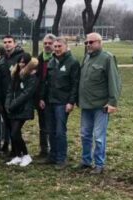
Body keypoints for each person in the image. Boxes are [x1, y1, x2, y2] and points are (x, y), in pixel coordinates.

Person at [77, 32, 121, 174]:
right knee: (85, 134)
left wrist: (112, 102)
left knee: (99, 137)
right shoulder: (87, 57)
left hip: (100, 106)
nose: (88, 45)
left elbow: (114, 81)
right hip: (86, 105)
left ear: (100, 42)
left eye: (91, 42)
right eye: (86, 43)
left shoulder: (107, 58)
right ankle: (86, 161)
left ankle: (99, 164)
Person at [40, 37, 80, 170]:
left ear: (65, 46)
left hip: (62, 102)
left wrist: (71, 102)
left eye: (59, 46)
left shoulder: (72, 62)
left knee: (59, 131)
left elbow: (75, 84)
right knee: (50, 130)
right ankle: (52, 156)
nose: (56, 49)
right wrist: (42, 98)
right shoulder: (51, 61)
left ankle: (61, 158)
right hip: (49, 101)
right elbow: (46, 82)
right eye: (55, 46)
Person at [5, 53, 38, 167]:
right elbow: (10, 91)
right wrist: (7, 103)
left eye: (24, 62)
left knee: (15, 132)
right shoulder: (15, 75)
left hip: (23, 109)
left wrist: (13, 104)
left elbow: (27, 94)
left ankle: (27, 156)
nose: (21, 64)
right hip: (13, 108)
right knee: (14, 133)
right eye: (20, 61)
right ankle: (18, 156)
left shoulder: (32, 76)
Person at [0, 35, 24, 155]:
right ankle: (13, 151)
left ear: (14, 43)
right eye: (5, 42)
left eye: (9, 42)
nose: (7, 44)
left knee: (15, 128)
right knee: (8, 125)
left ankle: (19, 151)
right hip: (4, 98)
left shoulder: (21, 58)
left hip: (16, 98)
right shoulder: (2, 60)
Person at [36, 34, 56, 158]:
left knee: (53, 126)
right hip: (41, 96)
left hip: (54, 97)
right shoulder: (39, 59)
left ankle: (54, 151)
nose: (47, 45)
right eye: (45, 43)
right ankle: (44, 150)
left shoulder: (57, 58)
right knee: (42, 125)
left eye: (50, 43)